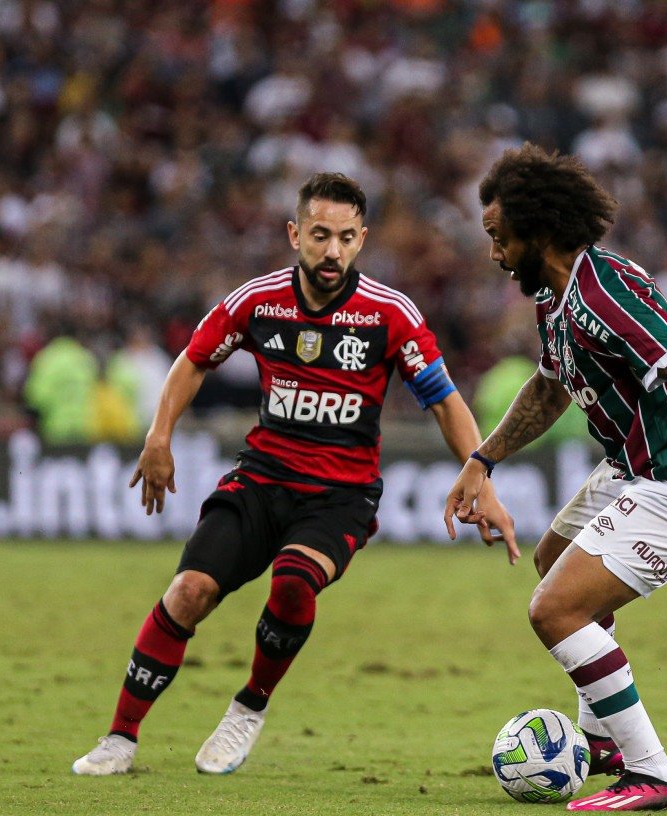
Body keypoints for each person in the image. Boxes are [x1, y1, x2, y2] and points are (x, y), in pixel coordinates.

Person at [73, 172, 517, 776]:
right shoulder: (257, 301)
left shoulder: (389, 315)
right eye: (319, 235)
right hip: (260, 480)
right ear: (294, 235)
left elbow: (444, 399)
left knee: (292, 582)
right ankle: (119, 739)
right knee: (188, 592)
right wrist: (159, 435)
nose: (332, 251)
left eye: (345, 238)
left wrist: (481, 479)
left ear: (362, 239)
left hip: (340, 497)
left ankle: (248, 708)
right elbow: (193, 360)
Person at [444, 144, 667, 812]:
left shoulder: (606, 290)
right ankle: (602, 740)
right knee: (554, 561)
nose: (494, 252)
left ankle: (655, 775)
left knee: (555, 609)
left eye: (499, 237)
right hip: (633, 467)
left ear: (538, 232)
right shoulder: (554, 298)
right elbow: (548, 389)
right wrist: (482, 460)